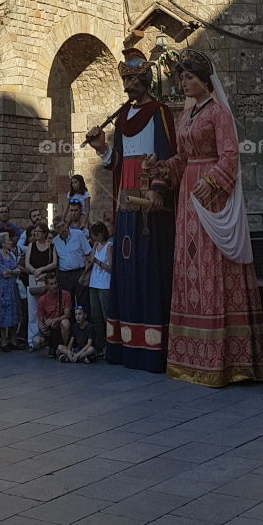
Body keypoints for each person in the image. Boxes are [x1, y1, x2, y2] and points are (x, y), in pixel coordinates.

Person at [149, 49, 263, 388]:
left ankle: (227, 359)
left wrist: (213, 180)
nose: (184, 83)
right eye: (181, 78)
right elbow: (181, 159)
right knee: (190, 266)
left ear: (205, 80)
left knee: (213, 264)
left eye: (189, 77)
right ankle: (190, 355)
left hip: (211, 195)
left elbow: (230, 154)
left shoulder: (219, 113)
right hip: (188, 195)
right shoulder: (184, 117)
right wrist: (160, 167)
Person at [85, 49, 176, 373]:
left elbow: (167, 154)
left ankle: (153, 348)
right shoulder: (122, 117)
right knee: (126, 269)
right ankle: (125, 345)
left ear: (145, 80)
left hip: (150, 204)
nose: (128, 86)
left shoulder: (160, 111)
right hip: (125, 201)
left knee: (149, 268)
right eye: (125, 80)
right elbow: (116, 162)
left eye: (133, 80)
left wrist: (157, 189)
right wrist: (101, 148)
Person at [85, 221, 112, 357]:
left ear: (101, 234)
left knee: (106, 315)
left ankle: (110, 345)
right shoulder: (96, 245)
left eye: (96, 235)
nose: (94, 238)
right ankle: (100, 345)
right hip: (94, 283)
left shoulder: (109, 246)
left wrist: (98, 262)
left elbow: (111, 268)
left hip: (104, 284)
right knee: (96, 317)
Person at [52, 219, 90, 307]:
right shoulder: (55, 241)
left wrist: (87, 273)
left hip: (79, 272)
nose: (62, 229)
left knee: (83, 299)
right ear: (56, 230)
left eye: (63, 225)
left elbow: (88, 254)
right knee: (67, 301)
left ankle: (84, 319)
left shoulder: (79, 234)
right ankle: (69, 320)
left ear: (67, 224)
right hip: (64, 275)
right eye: (59, 227)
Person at [0, 232, 21, 351]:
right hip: (4, 289)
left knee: (15, 312)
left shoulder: (10, 254)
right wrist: (12, 272)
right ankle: (4, 340)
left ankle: (13, 339)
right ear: (3, 243)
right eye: (8, 240)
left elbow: (17, 270)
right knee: (4, 314)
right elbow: (2, 273)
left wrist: (11, 272)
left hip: (13, 288)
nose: (10, 242)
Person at [33, 272, 72, 357]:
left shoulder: (66, 294)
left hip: (59, 328)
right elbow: (39, 321)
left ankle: (63, 347)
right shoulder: (42, 299)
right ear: (47, 286)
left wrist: (55, 320)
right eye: (51, 284)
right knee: (36, 341)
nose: (54, 286)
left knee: (65, 322)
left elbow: (67, 315)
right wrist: (42, 328)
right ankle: (49, 346)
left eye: (55, 283)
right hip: (49, 330)